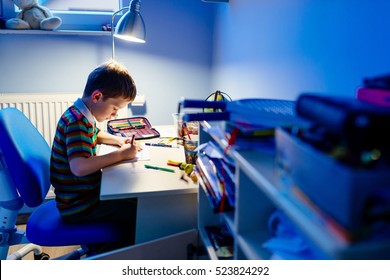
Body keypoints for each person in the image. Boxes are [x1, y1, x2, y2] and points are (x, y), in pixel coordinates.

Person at [50, 60, 142, 254]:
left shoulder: (81, 115)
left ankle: (106, 248)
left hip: (80, 197)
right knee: (139, 212)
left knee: (135, 199)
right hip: (79, 206)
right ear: (97, 96)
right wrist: (122, 154)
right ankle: (112, 255)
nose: (115, 115)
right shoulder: (76, 122)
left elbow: (94, 135)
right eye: (115, 108)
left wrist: (117, 140)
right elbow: (80, 167)